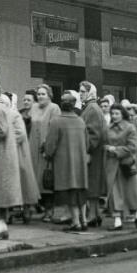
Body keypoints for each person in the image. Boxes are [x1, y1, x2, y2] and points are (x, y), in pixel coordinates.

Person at [43, 90, 88, 232]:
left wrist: (47, 154)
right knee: (80, 192)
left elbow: (50, 145)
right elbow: (87, 143)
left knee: (69, 192)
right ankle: (84, 220)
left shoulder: (57, 122)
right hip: (80, 163)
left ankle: (76, 222)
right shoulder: (81, 121)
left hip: (64, 164)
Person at [104, 104, 137, 230]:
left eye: (117, 114)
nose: (114, 116)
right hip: (112, 165)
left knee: (132, 192)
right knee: (115, 194)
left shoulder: (130, 128)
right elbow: (105, 143)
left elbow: (132, 147)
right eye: (112, 114)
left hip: (127, 164)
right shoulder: (108, 128)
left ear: (122, 114)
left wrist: (115, 149)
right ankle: (117, 221)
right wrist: (106, 148)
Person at [28, 83, 61, 222]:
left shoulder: (54, 108)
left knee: (46, 180)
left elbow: (55, 129)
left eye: (43, 94)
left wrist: (48, 147)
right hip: (32, 148)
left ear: (49, 96)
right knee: (34, 179)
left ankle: (49, 210)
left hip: (45, 149)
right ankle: (36, 207)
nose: (40, 97)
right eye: (39, 94)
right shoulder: (34, 107)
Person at [7, 91, 39, 224]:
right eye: (24, 100)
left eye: (28, 100)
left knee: (24, 180)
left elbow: (20, 134)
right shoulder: (19, 113)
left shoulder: (17, 115)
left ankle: (26, 209)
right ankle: (9, 212)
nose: (25, 102)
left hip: (21, 151)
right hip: (12, 151)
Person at [0, 94, 23, 239]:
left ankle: (0, 225)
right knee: (0, 192)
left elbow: (1, 131)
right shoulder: (1, 108)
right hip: (3, 155)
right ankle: (0, 225)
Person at [78, 81, 107, 227]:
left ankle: (92, 215)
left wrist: (88, 150)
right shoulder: (91, 108)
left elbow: (94, 133)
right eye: (80, 91)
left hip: (93, 154)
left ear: (90, 93)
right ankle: (94, 214)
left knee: (92, 185)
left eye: (83, 91)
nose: (80, 93)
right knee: (92, 185)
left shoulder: (92, 109)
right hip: (93, 153)